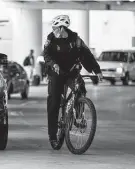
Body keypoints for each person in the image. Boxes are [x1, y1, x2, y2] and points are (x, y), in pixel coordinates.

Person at [43, 15, 103, 146]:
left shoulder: (76, 39)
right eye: (53, 28)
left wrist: (97, 70)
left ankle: (78, 116)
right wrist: (54, 64)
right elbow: (46, 55)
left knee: (80, 87)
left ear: (62, 28)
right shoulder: (51, 39)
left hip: (71, 71)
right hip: (56, 72)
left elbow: (87, 55)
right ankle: (53, 136)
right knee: (54, 102)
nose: (53, 30)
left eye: (55, 28)